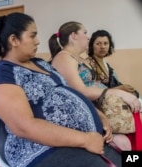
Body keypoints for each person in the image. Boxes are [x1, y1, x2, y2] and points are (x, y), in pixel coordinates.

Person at [0, 12, 121, 167]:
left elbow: (69, 92)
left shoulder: (40, 63)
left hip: (84, 140)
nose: (37, 41)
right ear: (14, 40)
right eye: (32, 36)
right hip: (43, 150)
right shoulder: (3, 74)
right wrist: (85, 140)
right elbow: (24, 127)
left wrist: (98, 115)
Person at [48, 21, 141, 150]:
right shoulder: (64, 58)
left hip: (100, 107)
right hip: (87, 111)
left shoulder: (77, 58)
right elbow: (80, 91)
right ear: (74, 35)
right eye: (85, 33)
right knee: (124, 142)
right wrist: (118, 92)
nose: (88, 37)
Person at [88, 29, 142, 150]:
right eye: (98, 43)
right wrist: (120, 89)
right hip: (102, 108)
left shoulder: (106, 65)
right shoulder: (89, 65)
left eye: (105, 43)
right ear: (92, 45)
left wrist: (125, 88)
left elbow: (113, 85)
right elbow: (93, 90)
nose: (102, 47)